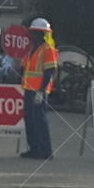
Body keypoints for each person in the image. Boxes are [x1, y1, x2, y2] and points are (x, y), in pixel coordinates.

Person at [20, 17, 58, 160]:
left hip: (39, 90)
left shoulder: (48, 49)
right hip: (29, 89)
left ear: (42, 34)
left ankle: (45, 151)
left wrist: (41, 91)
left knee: (39, 121)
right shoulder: (31, 50)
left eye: (35, 33)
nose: (32, 35)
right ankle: (34, 149)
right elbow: (24, 68)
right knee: (29, 119)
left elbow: (49, 71)